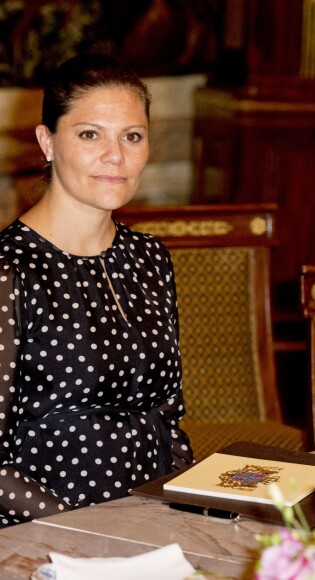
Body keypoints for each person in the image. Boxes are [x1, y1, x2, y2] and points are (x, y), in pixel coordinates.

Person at [0, 53, 193, 527]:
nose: (116, 155)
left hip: (153, 520)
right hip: (44, 530)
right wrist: (86, 535)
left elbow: (169, 420)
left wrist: (196, 514)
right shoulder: (8, 271)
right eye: (90, 134)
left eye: (132, 136)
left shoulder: (149, 258)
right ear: (47, 141)